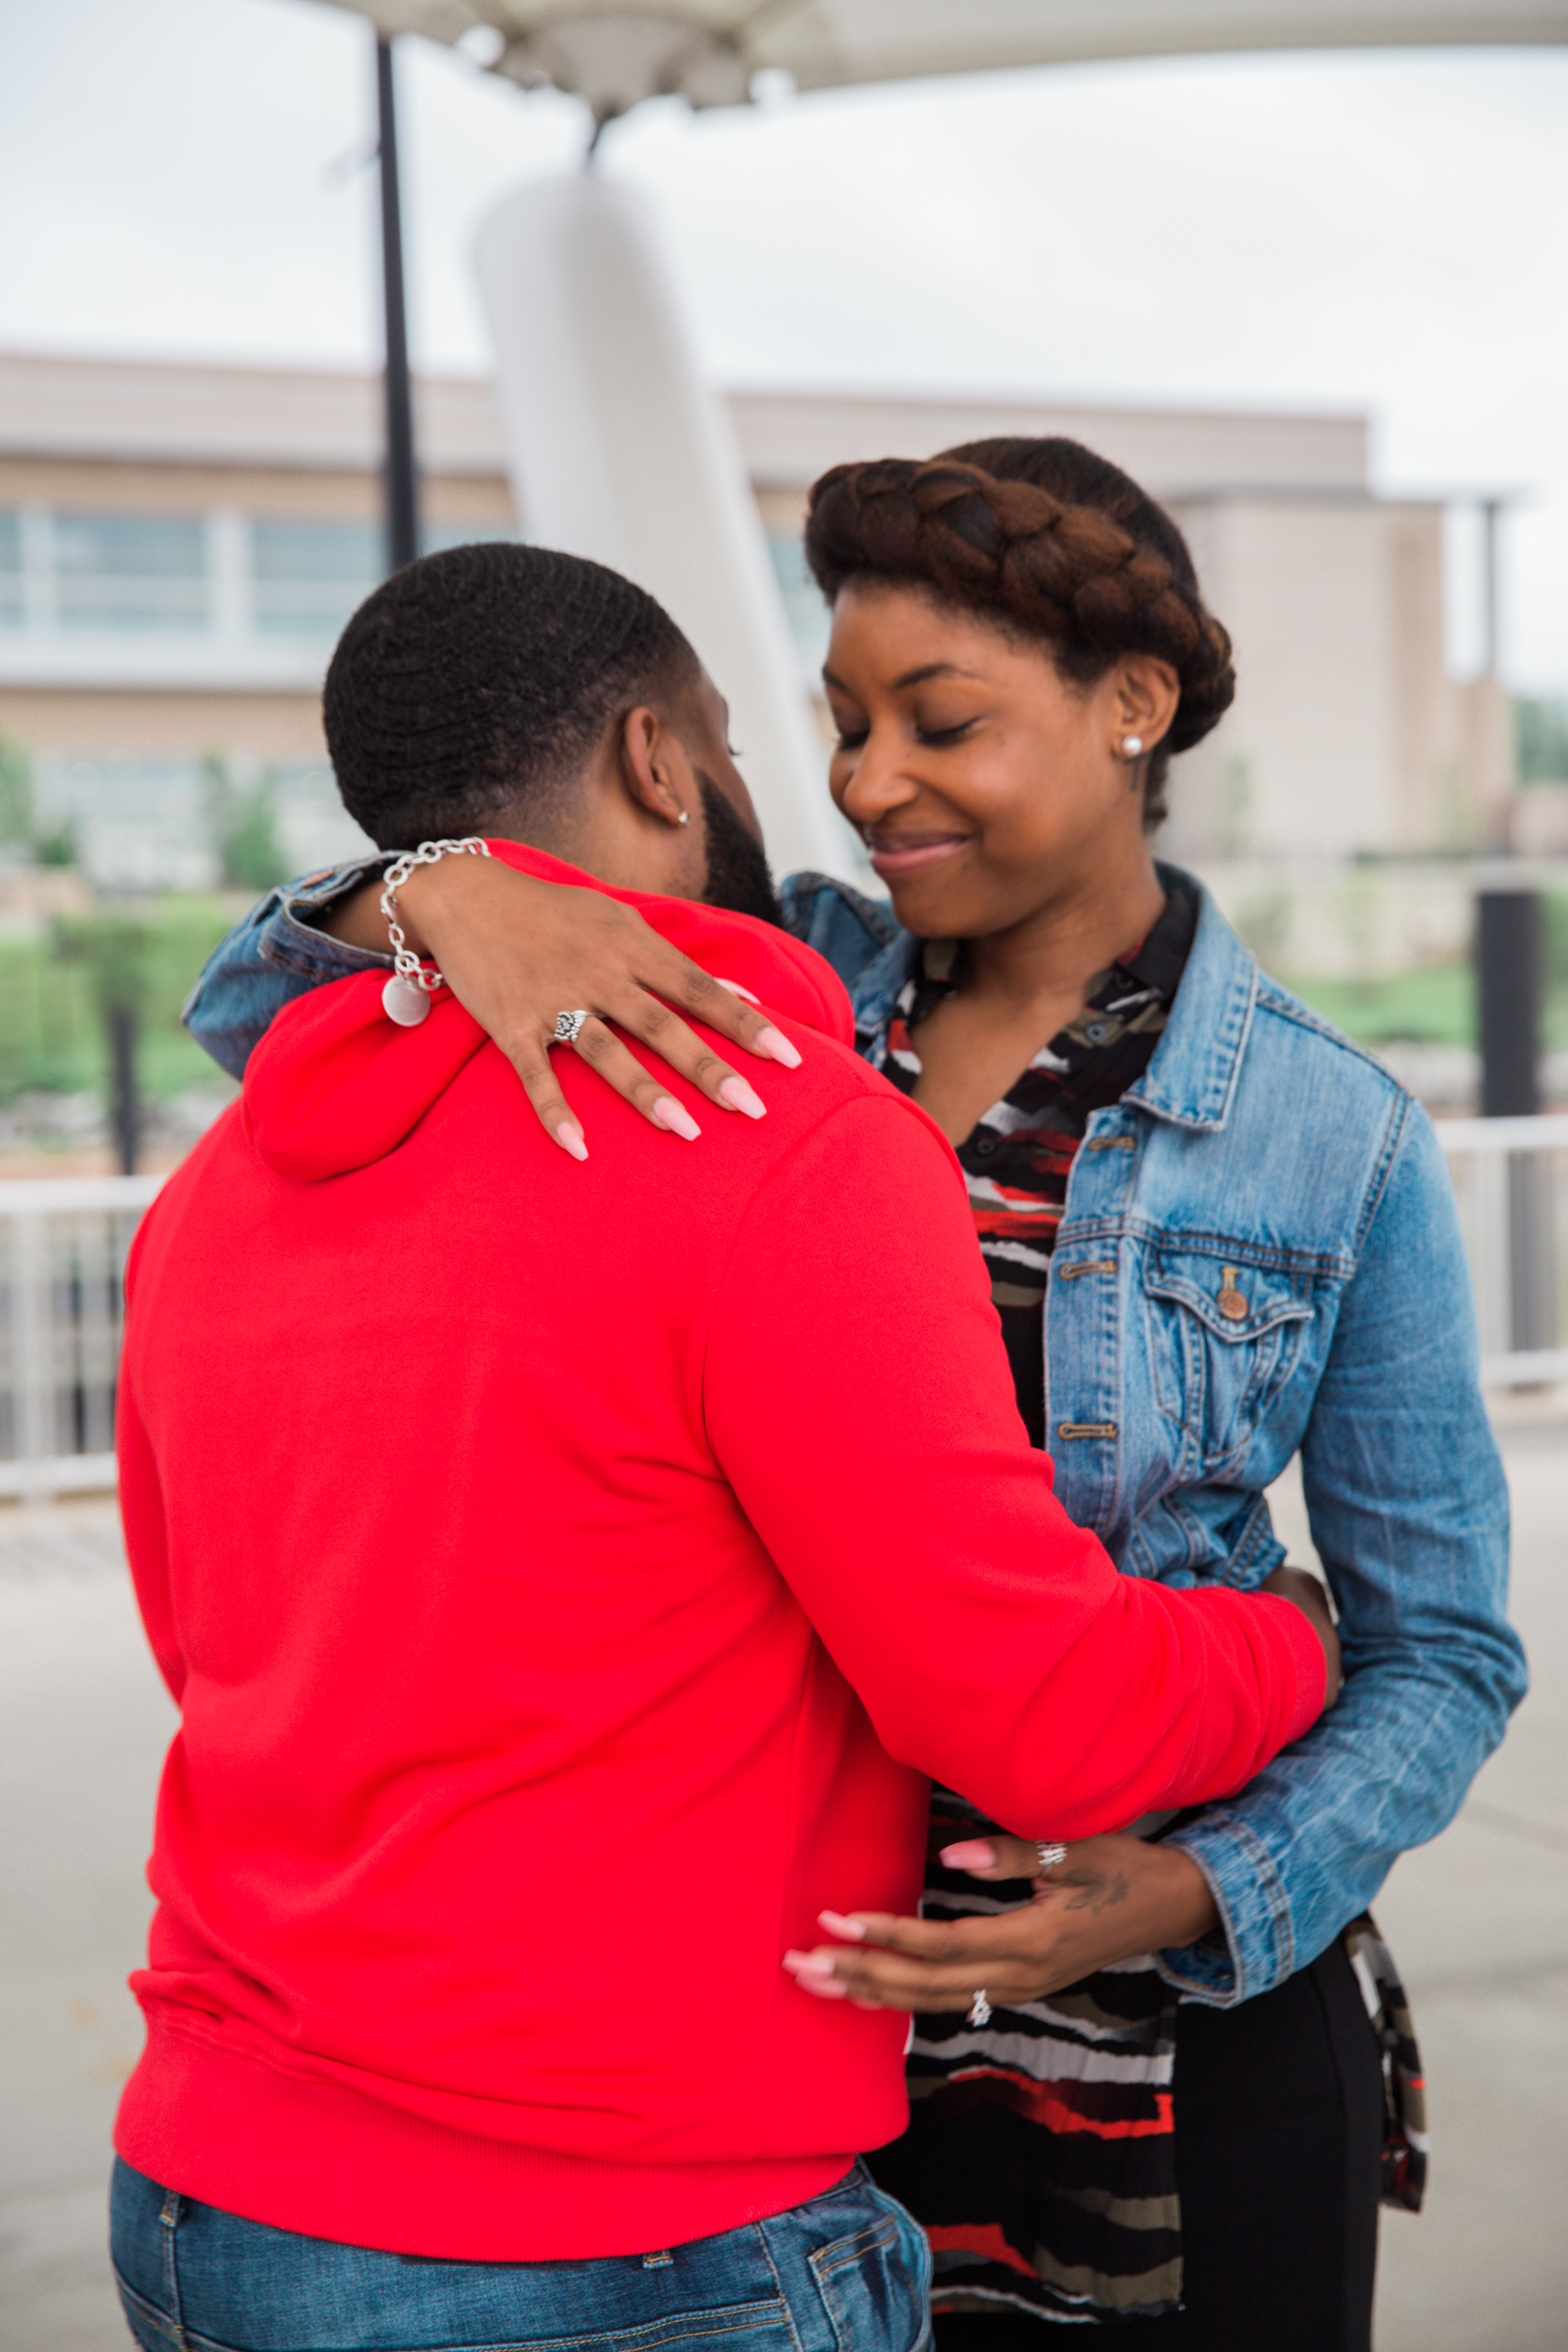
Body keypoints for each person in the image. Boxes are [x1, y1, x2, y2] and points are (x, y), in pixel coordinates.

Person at [186, 445, 1526, 2352]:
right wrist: (437, 890)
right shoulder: (744, 980)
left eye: (940, 719)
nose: (865, 779)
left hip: (1174, 2041)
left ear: (1132, 711)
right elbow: (262, 1020)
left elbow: (1448, 1653)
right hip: (791, 2061)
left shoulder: (1336, 1138)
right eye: (835, 720)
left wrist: (1182, 1893)